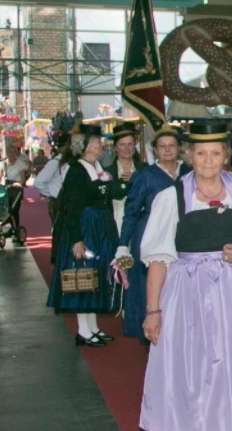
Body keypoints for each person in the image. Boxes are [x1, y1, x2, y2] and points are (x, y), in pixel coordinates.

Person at [139, 122, 232, 431]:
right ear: (187, 156)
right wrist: (153, 310)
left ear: (227, 156)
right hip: (190, 292)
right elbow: (159, 258)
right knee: (198, 367)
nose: (208, 160)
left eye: (215, 153)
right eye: (200, 153)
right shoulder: (171, 197)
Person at [46, 123, 121, 346]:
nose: (101, 144)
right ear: (85, 146)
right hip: (85, 227)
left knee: (96, 276)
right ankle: (83, 330)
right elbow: (71, 208)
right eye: (97, 141)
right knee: (84, 277)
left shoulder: (96, 166)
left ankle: (93, 327)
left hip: (99, 228)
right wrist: (77, 239)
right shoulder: (77, 170)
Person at [117, 125, 185, 342]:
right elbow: (131, 211)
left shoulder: (189, 172)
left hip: (183, 236)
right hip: (149, 235)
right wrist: (122, 244)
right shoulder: (145, 176)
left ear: (179, 148)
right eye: (162, 146)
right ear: (155, 150)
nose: (167, 150)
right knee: (150, 285)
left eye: (171, 146)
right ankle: (150, 333)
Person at [104, 123, 144, 234]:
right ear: (115, 148)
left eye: (130, 144)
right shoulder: (106, 172)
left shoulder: (144, 169)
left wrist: (136, 178)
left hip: (141, 224)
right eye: (122, 145)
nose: (127, 148)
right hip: (115, 224)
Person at [1, 141, 32, 246]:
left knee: (13, 210)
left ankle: (15, 229)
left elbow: (23, 179)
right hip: (6, 188)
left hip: (16, 189)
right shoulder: (3, 163)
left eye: (12, 152)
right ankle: (5, 227)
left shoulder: (20, 164)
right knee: (4, 209)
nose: (10, 154)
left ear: (15, 152)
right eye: (8, 152)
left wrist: (19, 184)